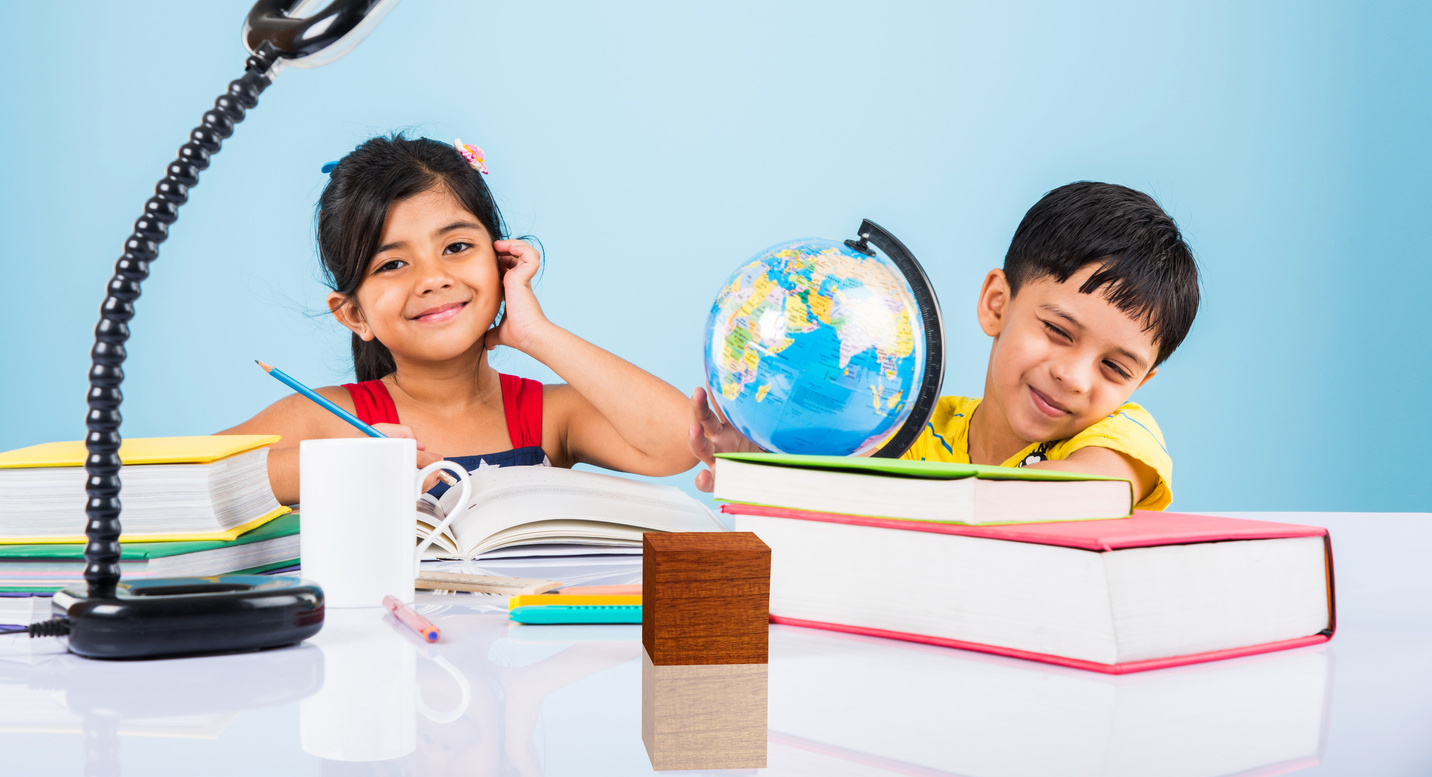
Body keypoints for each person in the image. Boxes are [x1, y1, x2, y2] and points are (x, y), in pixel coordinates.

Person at [224, 134, 695, 505]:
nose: (432, 278)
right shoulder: (326, 420)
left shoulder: (550, 416)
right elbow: (170, 482)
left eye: (456, 247)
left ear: (502, 262)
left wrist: (537, 334)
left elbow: (680, 443)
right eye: (391, 264)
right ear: (354, 314)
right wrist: (329, 465)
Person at [689, 181, 1200, 510]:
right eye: (1059, 332)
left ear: (1141, 382)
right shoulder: (902, 430)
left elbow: (1084, 494)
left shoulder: (1119, 444)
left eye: (1115, 368)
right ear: (997, 304)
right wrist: (772, 460)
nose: (1075, 376)